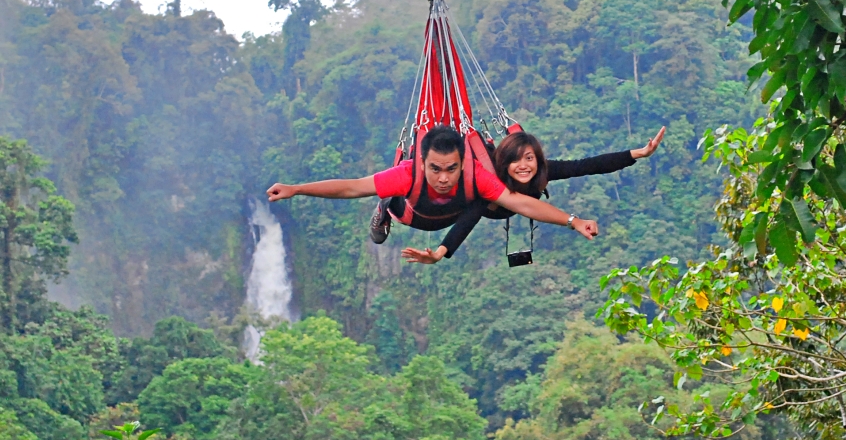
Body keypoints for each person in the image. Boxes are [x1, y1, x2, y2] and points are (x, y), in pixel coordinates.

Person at [266, 125, 599, 253]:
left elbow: (521, 204)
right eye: (435, 169)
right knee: (385, 191)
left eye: (451, 168)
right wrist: (297, 189)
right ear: (422, 161)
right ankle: (384, 208)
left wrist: (574, 220)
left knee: (480, 197)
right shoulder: (407, 174)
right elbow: (352, 187)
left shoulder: (475, 174)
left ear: (462, 162)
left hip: (447, 217)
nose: (443, 177)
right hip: (409, 211)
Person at [400, 126, 665, 264]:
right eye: (515, 160)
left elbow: (587, 165)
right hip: (453, 201)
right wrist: (440, 252)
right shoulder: (489, 186)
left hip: (486, 205)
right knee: (422, 209)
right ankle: (387, 209)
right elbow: (468, 219)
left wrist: (637, 154)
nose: (523, 166)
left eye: (529, 158)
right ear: (504, 163)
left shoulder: (543, 172)